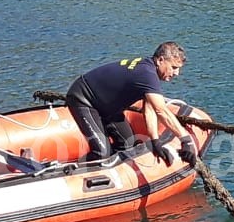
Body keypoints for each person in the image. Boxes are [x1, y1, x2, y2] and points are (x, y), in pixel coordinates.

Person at [65, 41, 198, 166]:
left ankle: (117, 174)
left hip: (107, 106)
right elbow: (161, 110)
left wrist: (155, 141)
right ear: (160, 60)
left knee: (128, 144)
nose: (177, 73)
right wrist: (185, 139)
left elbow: (150, 109)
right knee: (102, 153)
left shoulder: (149, 71)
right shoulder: (146, 74)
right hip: (84, 99)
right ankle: (68, 173)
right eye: (174, 67)